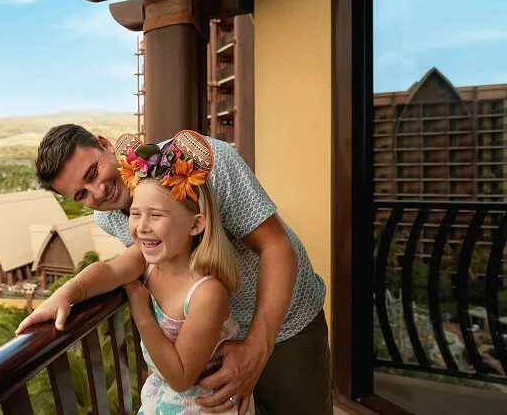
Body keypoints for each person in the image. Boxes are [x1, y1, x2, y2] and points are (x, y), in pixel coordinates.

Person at [33, 124, 331, 415]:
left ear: (105, 145)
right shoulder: (109, 218)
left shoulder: (208, 164)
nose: (97, 192)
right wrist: (67, 293)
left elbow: (276, 247)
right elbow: (133, 266)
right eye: (81, 195)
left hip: (284, 325)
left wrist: (256, 346)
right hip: (209, 346)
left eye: (93, 172)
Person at [18, 131, 254, 414]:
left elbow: (180, 378)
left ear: (195, 225)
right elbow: (109, 270)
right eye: (135, 213)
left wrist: (141, 312)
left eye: (155, 215)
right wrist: (67, 293)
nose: (142, 227)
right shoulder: (148, 260)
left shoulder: (206, 293)